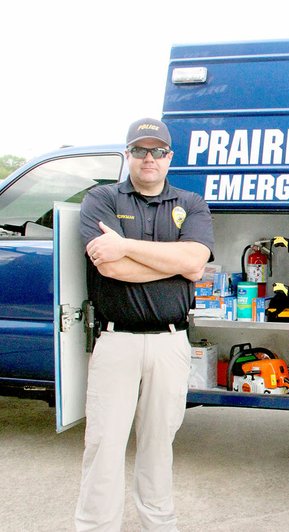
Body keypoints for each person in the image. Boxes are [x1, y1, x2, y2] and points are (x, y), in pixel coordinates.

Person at [75, 118, 214, 531]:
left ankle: (159, 525)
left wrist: (126, 246)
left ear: (170, 157)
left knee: (159, 446)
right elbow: (110, 265)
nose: (148, 158)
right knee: (104, 445)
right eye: (140, 150)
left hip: (170, 343)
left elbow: (195, 262)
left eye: (157, 151)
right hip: (116, 341)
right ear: (128, 155)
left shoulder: (191, 203)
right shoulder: (100, 199)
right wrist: (173, 262)